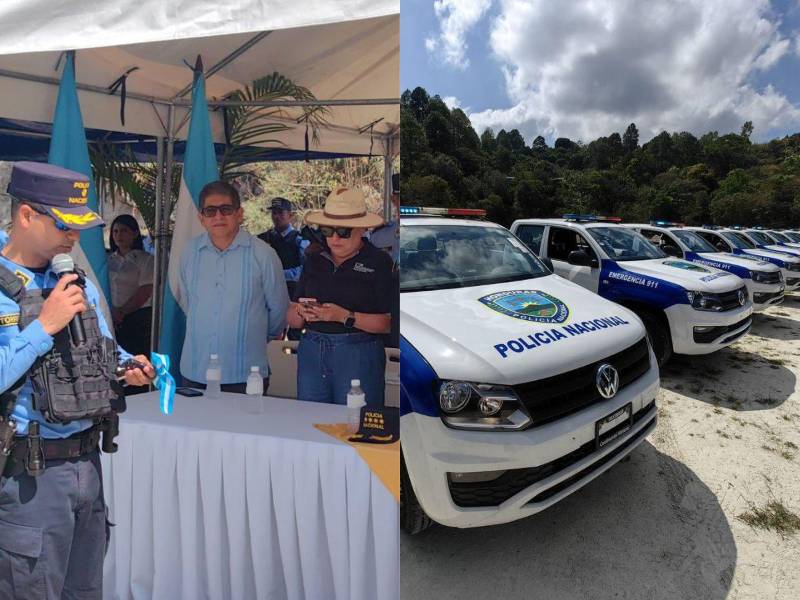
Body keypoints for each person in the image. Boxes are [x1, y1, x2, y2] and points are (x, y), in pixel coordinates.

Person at [0, 161, 154, 600]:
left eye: (79, 226)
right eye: (63, 225)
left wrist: (128, 367)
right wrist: (42, 327)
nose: (74, 237)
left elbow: (102, 348)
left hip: (88, 465)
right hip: (29, 475)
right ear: (27, 216)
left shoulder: (74, 281)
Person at [179, 180, 289, 394]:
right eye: (210, 211)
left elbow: (279, 310)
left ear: (240, 214)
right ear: (201, 218)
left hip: (246, 375)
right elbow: (187, 300)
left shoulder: (263, 254)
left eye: (226, 209)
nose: (218, 217)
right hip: (195, 371)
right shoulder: (189, 253)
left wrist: (255, 336)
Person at [287, 187, 393, 406]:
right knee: (311, 424)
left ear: (361, 229)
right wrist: (301, 310)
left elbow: (387, 324)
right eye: (327, 230)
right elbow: (292, 317)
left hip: (359, 352)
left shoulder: (380, 262)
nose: (334, 238)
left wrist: (345, 316)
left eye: (343, 231)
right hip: (312, 349)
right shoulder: (314, 260)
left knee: (358, 427)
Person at [107, 214, 154, 359]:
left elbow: (146, 289)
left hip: (138, 318)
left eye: (124, 231)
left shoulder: (145, 259)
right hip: (112, 317)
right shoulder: (108, 260)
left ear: (134, 233)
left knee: (136, 362)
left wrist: (122, 312)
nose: (119, 235)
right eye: (115, 231)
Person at [257, 197, 310, 298]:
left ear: (290, 215)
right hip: (266, 294)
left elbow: (305, 270)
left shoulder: (300, 240)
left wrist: (279, 274)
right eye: (274, 213)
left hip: (292, 294)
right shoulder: (262, 239)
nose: (276, 216)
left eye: (281, 212)